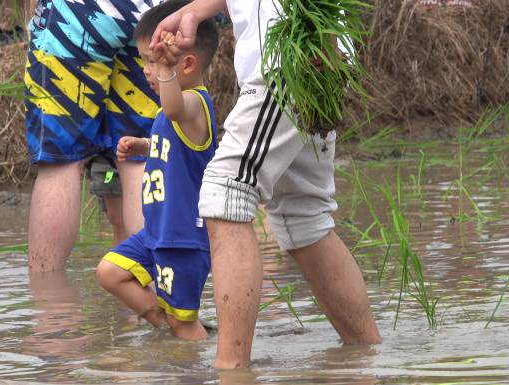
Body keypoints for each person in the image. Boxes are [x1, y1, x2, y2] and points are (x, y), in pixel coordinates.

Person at [150, 0, 383, 368]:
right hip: (303, 60)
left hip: (291, 59)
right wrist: (194, 12)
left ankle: (232, 372)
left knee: (225, 191)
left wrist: (328, 39)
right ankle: (366, 357)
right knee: (303, 221)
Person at [96, 0, 219, 340]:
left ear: (188, 63)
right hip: (156, 232)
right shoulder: (169, 113)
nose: (148, 71)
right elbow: (177, 149)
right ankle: (170, 331)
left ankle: (190, 349)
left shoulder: (193, 103)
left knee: (185, 321)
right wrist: (144, 146)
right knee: (110, 272)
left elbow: (175, 107)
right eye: (147, 63)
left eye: (154, 62)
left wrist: (166, 73)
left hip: (181, 238)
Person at [24, 0, 162, 272]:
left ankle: (54, 309)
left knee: (60, 163)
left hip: (76, 12)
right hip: (152, 11)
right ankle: (148, 295)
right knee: (140, 157)